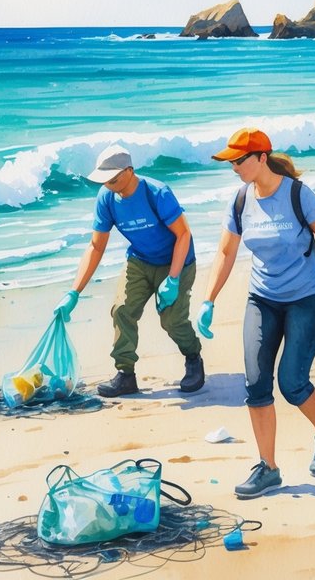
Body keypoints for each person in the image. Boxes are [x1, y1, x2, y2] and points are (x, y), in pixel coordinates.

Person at [199, 128, 315, 498]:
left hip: (306, 297)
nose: (234, 168)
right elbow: (226, 252)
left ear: (260, 158)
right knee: (256, 383)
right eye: (231, 162)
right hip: (263, 298)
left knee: (292, 383)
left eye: (238, 160)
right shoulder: (241, 200)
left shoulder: (297, 195)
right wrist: (209, 300)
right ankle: (268, 467)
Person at [54, 145, 204, 397]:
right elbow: (96, 246)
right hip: (140, 260)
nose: (109, 185)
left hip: (175, 260)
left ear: (130, 171)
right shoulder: (106, 198)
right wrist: (74, 292)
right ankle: (125, 375)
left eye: (113, 179)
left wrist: (174, 278)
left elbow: (183, 234)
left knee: (171, 320)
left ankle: (193, 358)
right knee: (122, 310)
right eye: (105, 181)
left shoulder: (157, 193)